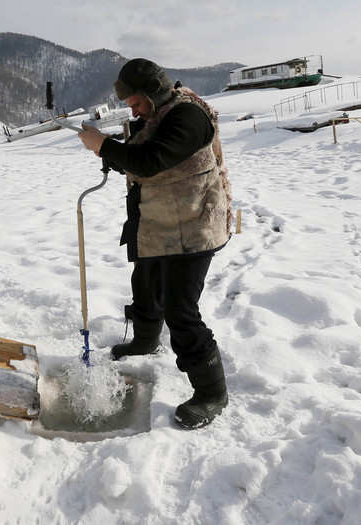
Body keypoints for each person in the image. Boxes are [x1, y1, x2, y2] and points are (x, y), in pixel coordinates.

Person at [77, 58, 232, 429]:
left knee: (181, 309)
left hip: (193, 227)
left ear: (153, 93)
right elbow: (142, 156)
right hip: (161, 221)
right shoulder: (160, 113)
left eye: (135, 102)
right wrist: (110, 147)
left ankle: (212, 393)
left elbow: (152, 160)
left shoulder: (188, 118)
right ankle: (146, 339)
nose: (133, 110)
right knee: (145, 281)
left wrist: (103, 147)